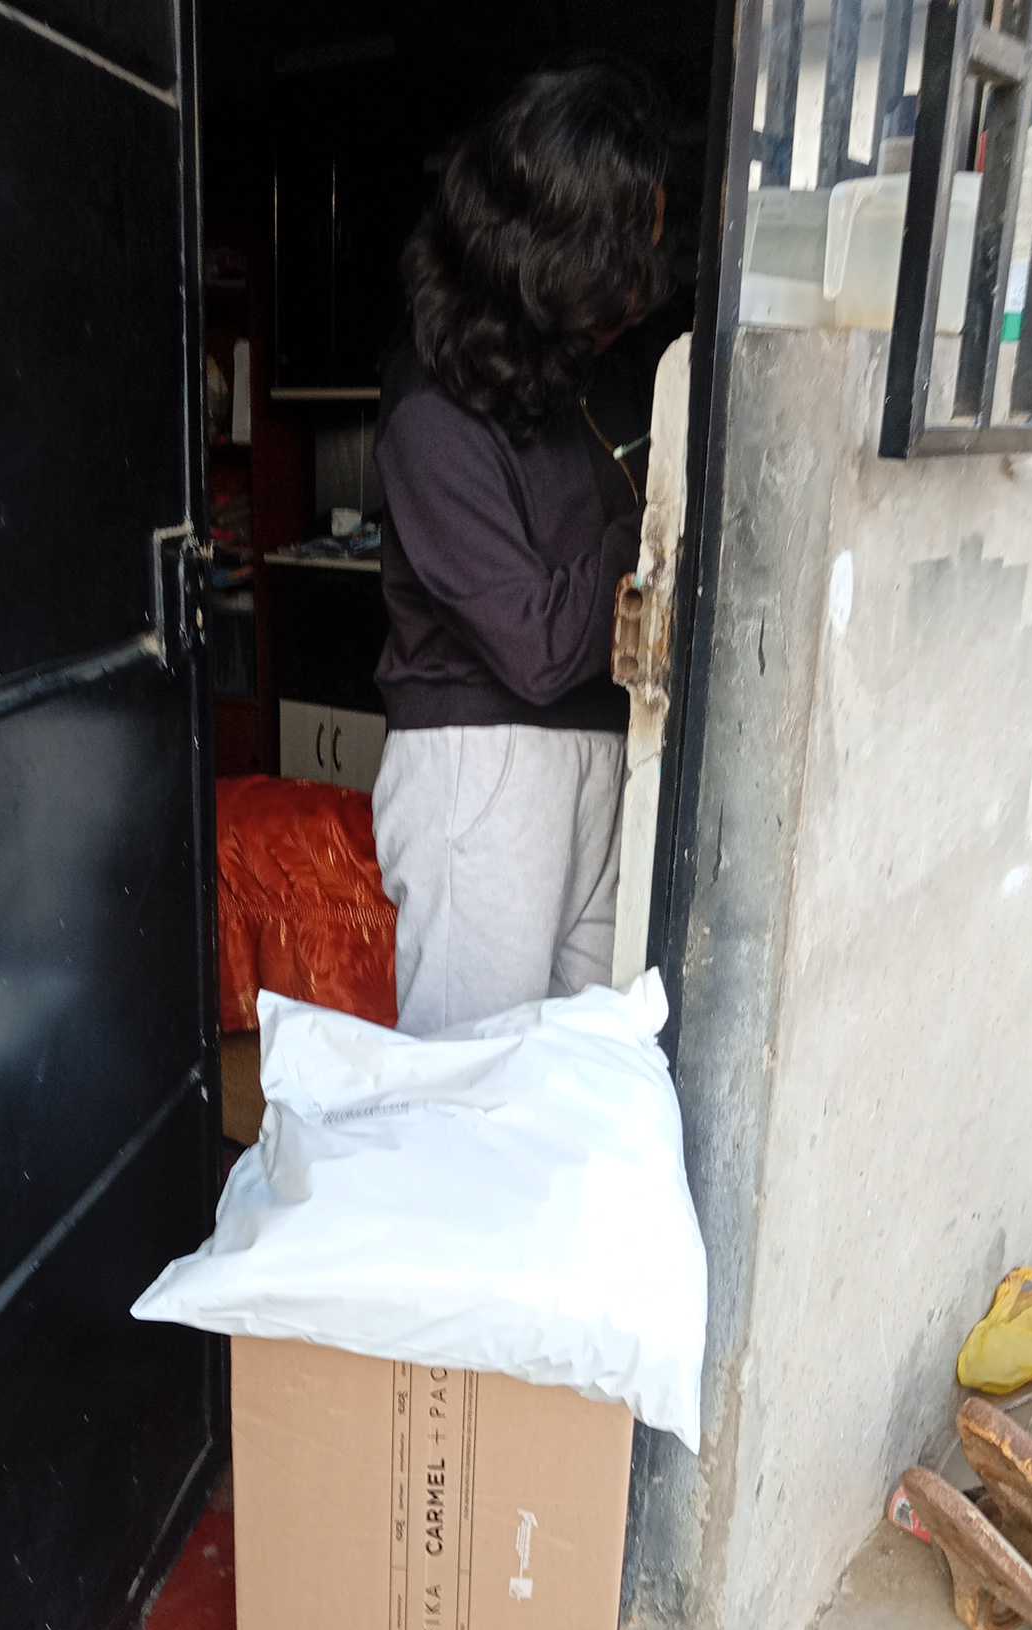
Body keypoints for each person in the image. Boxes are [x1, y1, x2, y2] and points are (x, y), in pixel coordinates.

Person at [372, 59, 674, 1037]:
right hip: (484, 766)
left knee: (580, 1074)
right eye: (624, 253)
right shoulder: (433, 412)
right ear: (559, 247)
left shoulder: (577, 374)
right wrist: (653, 530)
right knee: (474, 1084)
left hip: (599, 752)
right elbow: (536, 646)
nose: (641, 284)